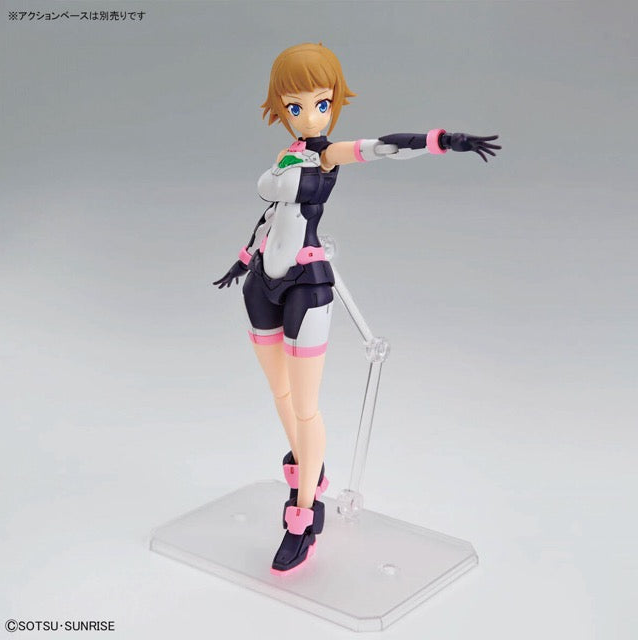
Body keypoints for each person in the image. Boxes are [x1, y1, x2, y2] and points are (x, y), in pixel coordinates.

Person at [214, 42, 500, 574]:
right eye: (295, 106)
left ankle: (304, 514)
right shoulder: (286, 155)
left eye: (321, 103)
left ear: (334, 102)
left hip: (306, 283)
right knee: (280, 395)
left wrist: (441, 141)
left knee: (305, 405)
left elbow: (382, 148)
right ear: (280, 106)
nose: (309, 116)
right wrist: (243, 259)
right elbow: (271, 215)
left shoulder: (326, 155)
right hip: (262, 283)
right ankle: (309, 469)